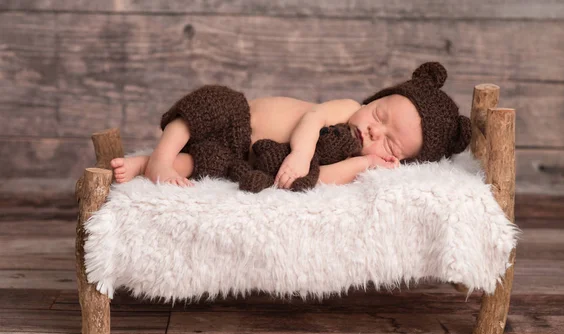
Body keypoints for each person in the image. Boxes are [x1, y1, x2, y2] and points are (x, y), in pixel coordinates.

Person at [110, 61, 471, 190]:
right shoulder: (345, 110)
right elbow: (311, 119)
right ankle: (160, 156)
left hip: (243, 157)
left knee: (209, 164)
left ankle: (148, 167)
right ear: (373, 100)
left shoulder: (351, 159)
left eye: (390, 145)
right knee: (211, 103)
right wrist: (301, 152)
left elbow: (317, 177)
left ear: (399, 161)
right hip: (239, 117)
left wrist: (364, 163)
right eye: (379, 116)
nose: (376, 132)